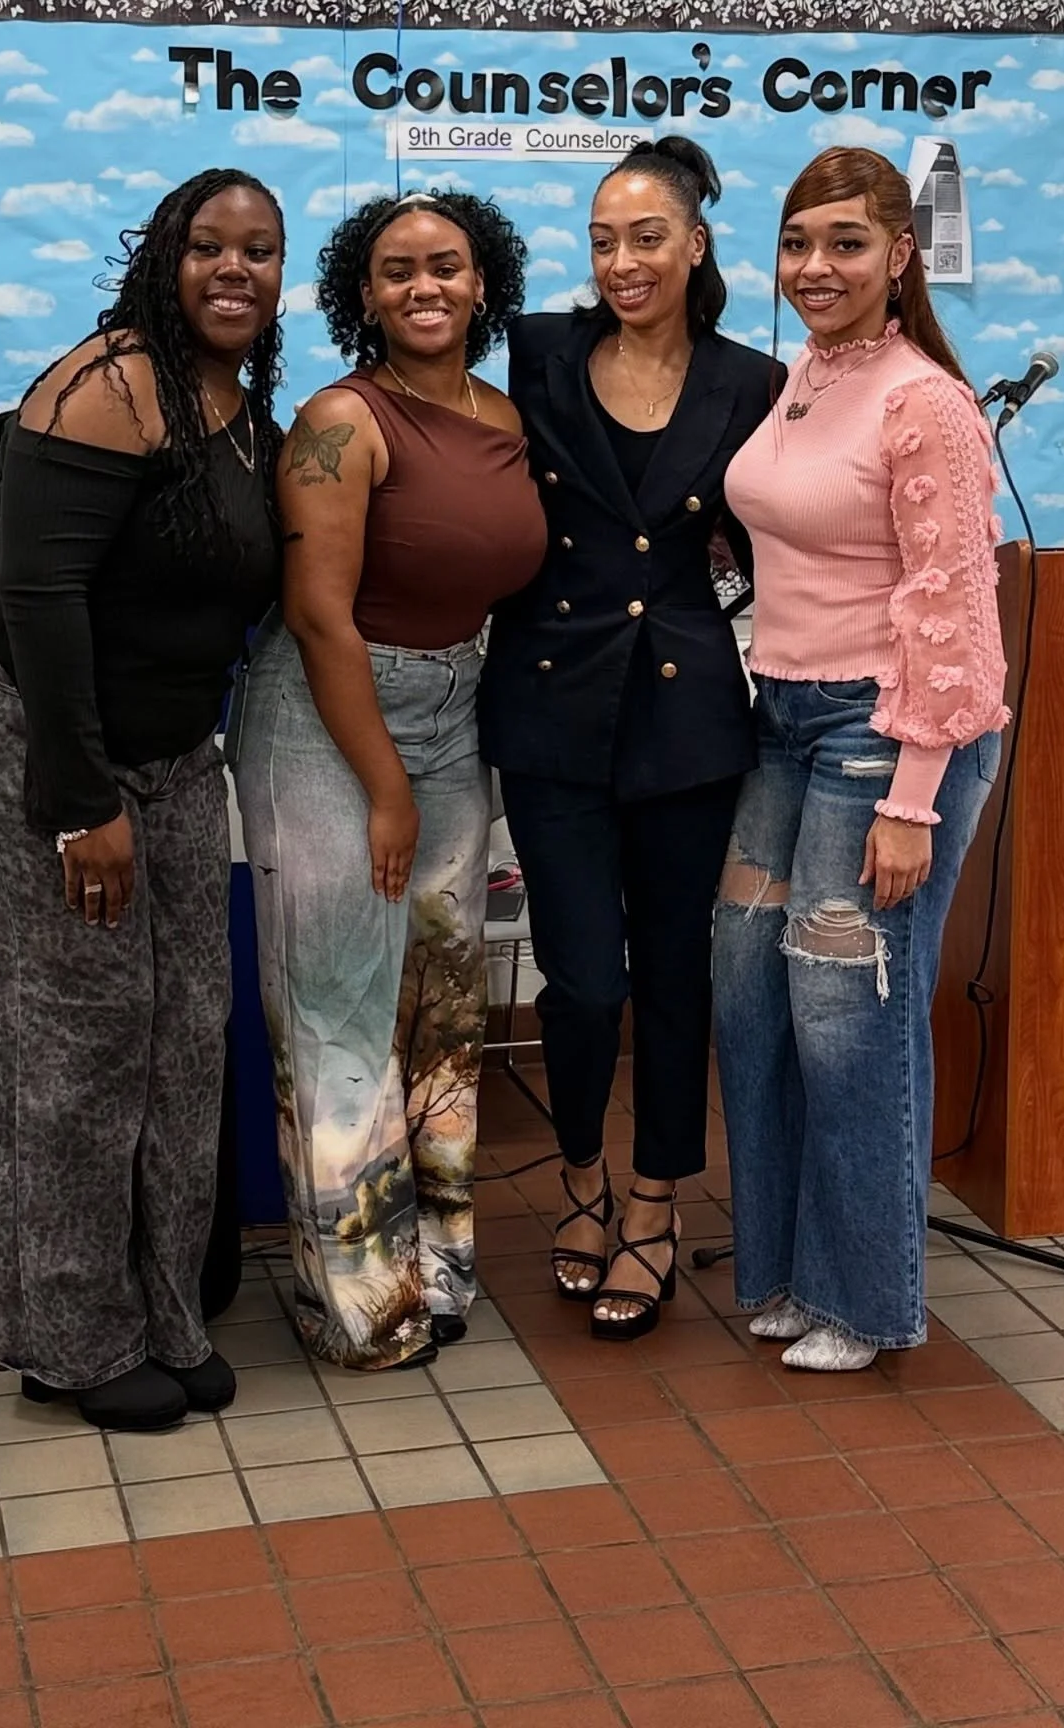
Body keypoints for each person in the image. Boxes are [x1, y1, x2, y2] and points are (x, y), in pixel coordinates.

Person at [0, 169, 285, 1429]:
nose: (234, 270)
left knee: (184, 1036)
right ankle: (68, 1339)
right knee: (71, 1040)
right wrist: (78, 801)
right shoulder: (108, 382)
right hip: (24, 731)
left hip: (174, 754)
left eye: (261, 251)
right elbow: (43, 595)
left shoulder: (241, 405)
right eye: (208, 247)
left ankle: (164, 1311)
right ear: (162, 258)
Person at [229, 189, 544, 1371]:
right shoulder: (340, 421)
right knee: (342, 1015)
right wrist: (387, 787)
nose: (426, 287)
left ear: (483, 282)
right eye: (398, 270)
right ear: (362, 292)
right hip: (330, 722)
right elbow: (317, 615)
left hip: (456, 714)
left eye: (448, 267)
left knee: (444, 1007)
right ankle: (361, 1300)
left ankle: (438, 1267)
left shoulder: (500, 413)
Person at [479, 137, 782, 1340]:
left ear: (696, 242)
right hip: (551, 710)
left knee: (670, 976)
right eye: (603, 240)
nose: (621, 262)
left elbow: (778, 542)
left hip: (689, 716)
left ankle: (652, 1203)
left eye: (645, 237)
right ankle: (580, 1182)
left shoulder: (751, 382)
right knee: (583, 980)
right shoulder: (543, 353)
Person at [715, 146, 1010, 1374]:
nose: (815, 267)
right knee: (748, 991)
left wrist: (912, 802)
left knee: (849, 1014)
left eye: (844, 243)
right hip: (780, 717)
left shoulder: (922, 399)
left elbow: (953, 602)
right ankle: (783, 1269)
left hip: (881, 734)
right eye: (798, 244)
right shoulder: (806, 376)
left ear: (900, 254)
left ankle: (870, 1299)